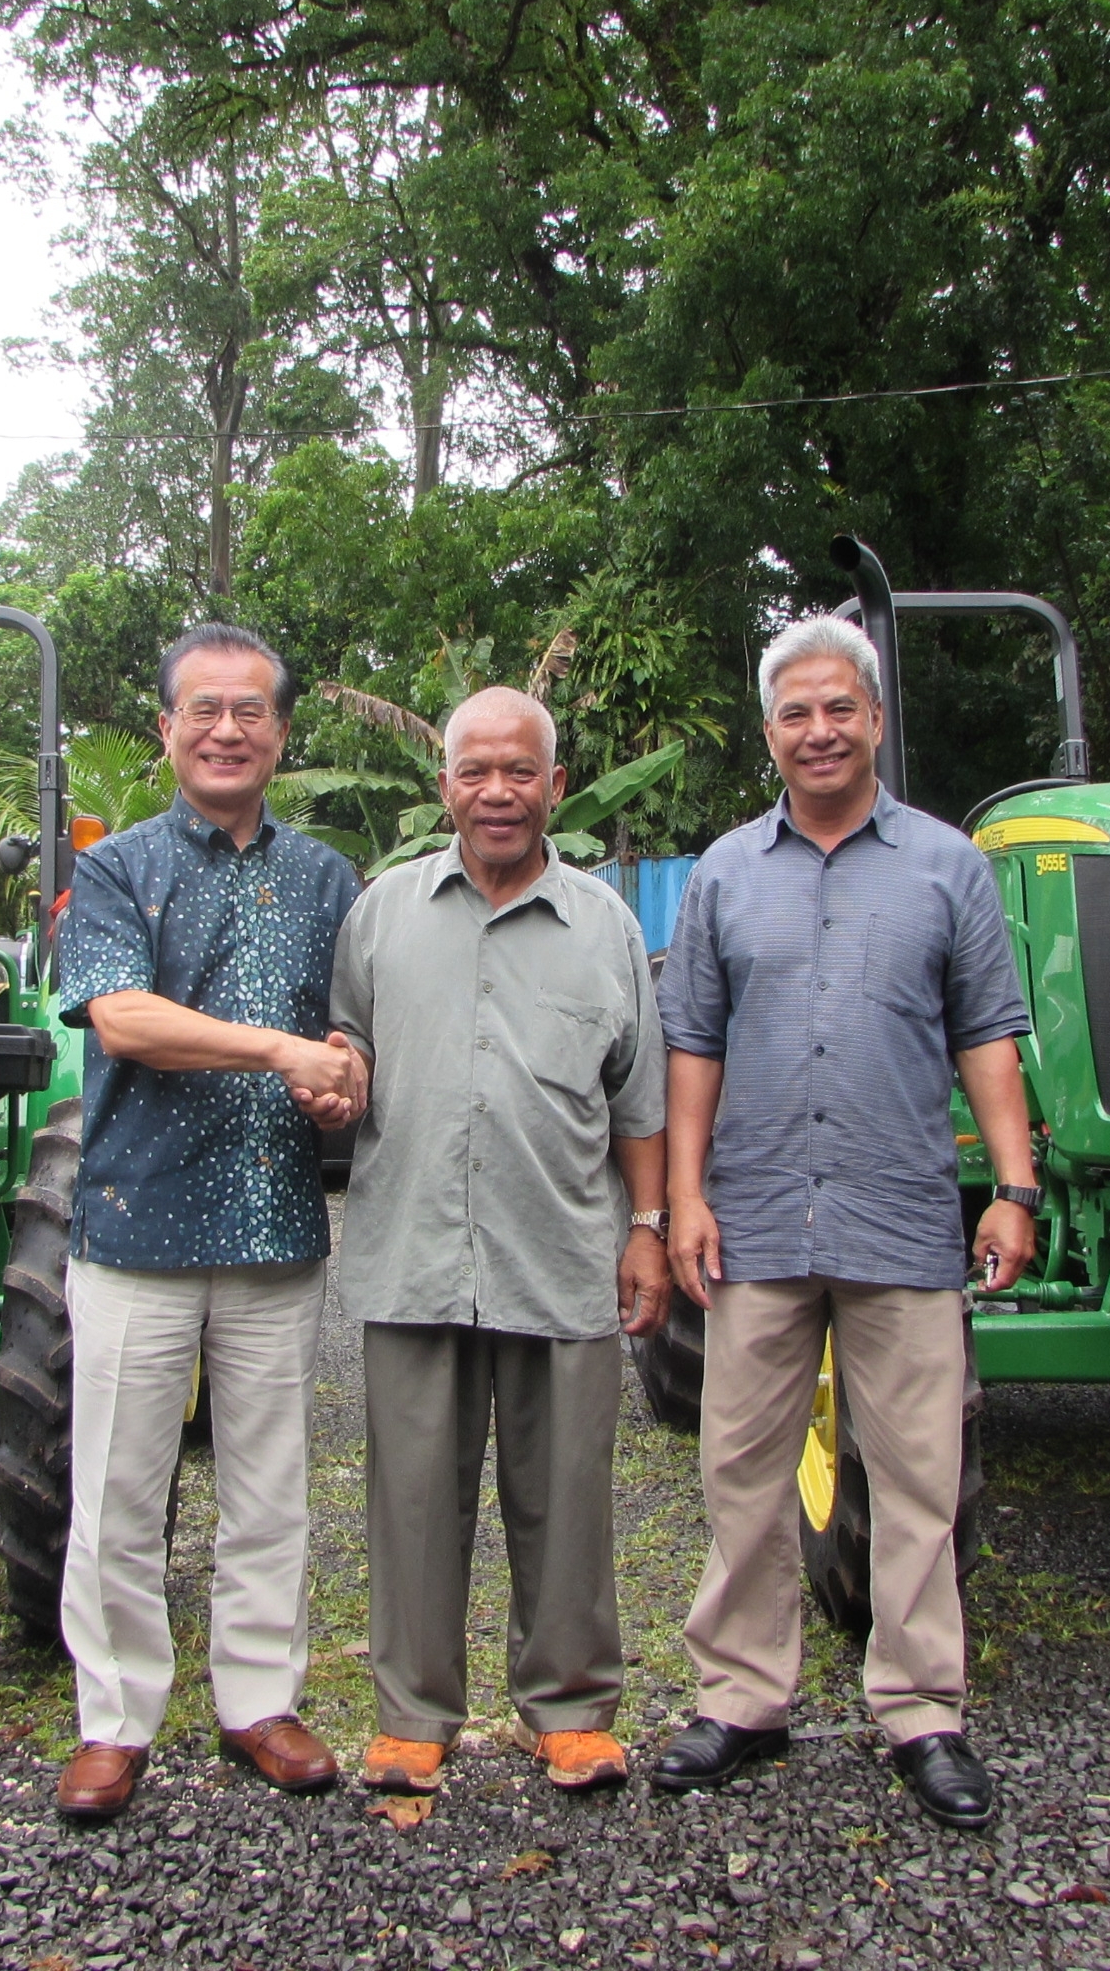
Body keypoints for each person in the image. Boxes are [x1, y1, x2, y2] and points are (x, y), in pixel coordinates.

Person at [652, 614, 1038, 1830]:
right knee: (739, 1471)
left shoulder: (945, 865)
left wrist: (1014, 1190)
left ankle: (921, 1710)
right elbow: (691, 1047)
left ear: (873, 718)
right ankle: (743, 1701)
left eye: (838, 708)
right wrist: (681, 1195)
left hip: (900, 1211)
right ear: (769, 731)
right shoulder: (722, 873)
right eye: (792, 712)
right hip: (756, 1218)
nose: (816, 730)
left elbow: (986, 1035)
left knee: (919, 1475)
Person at [47, 622, 369, 1823]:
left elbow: (357, 1022)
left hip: (278, 1232)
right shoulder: (120, 866)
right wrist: (280, 1048)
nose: (227, 729)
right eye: (204, 710)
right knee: (119, 1492)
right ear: (167, 730)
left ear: (281, 736)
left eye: (250, 712)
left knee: (270, 1489)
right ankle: (114, 1722)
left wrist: (349, 1068)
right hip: (133, 1230)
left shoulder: (331, 878)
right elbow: (122, 1018)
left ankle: (257, 1703)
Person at [328, 688, 669, 1798]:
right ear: (444, 789)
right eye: (473, 771)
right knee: (413, 1499)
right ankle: (412, 1716)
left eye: (518, 772)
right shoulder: (380, 914)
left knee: (567, 1493)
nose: (496, 792)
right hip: (414, 1249)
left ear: (554, 788)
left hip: (560, 1248)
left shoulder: (606, 927)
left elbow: (640, 1103)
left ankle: (567, 1709)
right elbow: (348, 1055)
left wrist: (649, 1229)